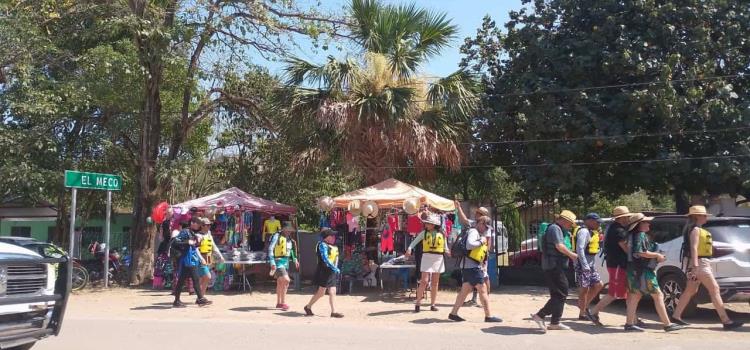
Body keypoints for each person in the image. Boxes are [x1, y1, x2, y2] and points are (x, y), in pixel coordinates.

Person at [671, 205, 744, 330]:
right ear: (696, 216)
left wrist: (694, 267)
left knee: (690, 291)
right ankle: (726, 321)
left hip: (699, 263)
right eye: (704, 215)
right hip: (700, 263)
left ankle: (676, 316)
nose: (706, 217)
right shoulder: (695, 230)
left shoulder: (696, 229)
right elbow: (694, 248)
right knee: (714, 289)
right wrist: (695, 266)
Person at [624, 213, 683, 332]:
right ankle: (667, 324)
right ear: (639, 224)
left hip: (633, 270)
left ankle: (629, 324)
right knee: (658, 295)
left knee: (635, 296)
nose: (648, 224)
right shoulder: (640, 235)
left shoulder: (631, 235)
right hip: (643, 270)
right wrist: (657, 255)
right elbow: (640, 253)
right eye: (645, 222)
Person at [587, 206, 636, 326]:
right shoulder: (619, 231)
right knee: (615, 293)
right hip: (618, 264)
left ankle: (633, 319)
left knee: (630, 293)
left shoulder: (613, 228)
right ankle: (593, 312)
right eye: (627, 216)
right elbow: (625, 248)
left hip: (616, 264)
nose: (629, 218)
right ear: (622, 218)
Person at [448, 216, 502, 323]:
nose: (486, 230)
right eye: (485, 227)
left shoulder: (472, 231)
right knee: (483, 290)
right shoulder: (474, 232)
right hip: (472, 267)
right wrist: (482, 241)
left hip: (468, 266)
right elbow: (469, 245)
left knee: (464, 291)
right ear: (480, 223)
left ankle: (453, 313)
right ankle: (488, 316)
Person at [530, 210, 578, 332]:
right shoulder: (555, 229)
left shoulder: (557, 228)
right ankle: (540, 316)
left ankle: (555, 322)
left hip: (555, 265)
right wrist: (573, 255)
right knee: (562, 292)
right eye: (570, 223)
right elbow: (559, 246)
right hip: (553, 266)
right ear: (564, 220)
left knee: (558, 294)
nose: (570, 226)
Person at [406, 213, 450, 313]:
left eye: (429, 223)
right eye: (426, 223)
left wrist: (448, 252)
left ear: (434, 225)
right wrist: (409, 249)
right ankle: (418, 303)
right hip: (426, 257)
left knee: (435, 282)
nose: (426, 225)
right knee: (424, 281)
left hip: (438, 258)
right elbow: (414, 242)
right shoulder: (423, 233)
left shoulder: (442, 234)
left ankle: (433, 304)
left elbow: (445, 247)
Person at [455, 200, 494, 307]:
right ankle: (475, 299)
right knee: (476, 279)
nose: (476, 214)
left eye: (479, 213)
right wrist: (459, 208)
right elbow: (463, 219)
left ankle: (486, 298)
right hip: (474, 256)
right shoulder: (475, 223)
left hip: (480, 256)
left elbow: (488, 241)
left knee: (484, 277)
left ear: (483, 216)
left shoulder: (484, 226)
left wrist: (485, 257)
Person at [172, 216, 212, 307]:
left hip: (191, 259)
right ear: (192, 223)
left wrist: (197, 242)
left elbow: (195, 246)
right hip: (186, 260)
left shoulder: (192, 232)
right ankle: (200, 299)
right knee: (195, 279)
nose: (199, 226)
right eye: (197, 223)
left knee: (183, 281)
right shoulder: (185, 232)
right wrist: (187, 242)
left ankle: (177, 300)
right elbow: (175, 242)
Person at [304, 228, 343, 318]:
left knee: (333, 291)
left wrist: (335, 268)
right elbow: (325, 258)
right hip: (324, 271)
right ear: (327, 237)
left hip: (331, 271)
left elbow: (336, 259)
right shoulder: (322, 245)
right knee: (321, 292)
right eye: (332, 235)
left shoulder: (334, 247)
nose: (334, 237)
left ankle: (334, 311)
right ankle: (308, 306)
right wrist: (334, 268)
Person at [575, 213, 604, 320]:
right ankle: (582, 313)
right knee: (584, 289)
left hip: (590, 265)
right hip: (584, 265)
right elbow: (580, 249)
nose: (599, 224)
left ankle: (583, 306)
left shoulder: (592, 232)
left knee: (598, 285)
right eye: (597, 222)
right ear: (589, 221)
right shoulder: (584, 231)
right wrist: (584, 265)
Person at [268, 223, 299, 311]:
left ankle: (279, 303)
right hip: (278, 261)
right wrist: (272, 262)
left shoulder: (289, 238)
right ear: (284, 229)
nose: (289, 231)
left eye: (290, 230)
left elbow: (291, 250)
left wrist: (295, 259)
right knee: (287, 280)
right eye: (288, 229)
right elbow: (270, 249)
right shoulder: (276, 236)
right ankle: (283, 303)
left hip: (286, 262)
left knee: (280, 282)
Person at [197, 217, 225, 298]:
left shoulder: (209, 235)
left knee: (204, 278)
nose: (209, 226)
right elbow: (196, 249)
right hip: (201, 258)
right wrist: (200, 258)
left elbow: (214, 246)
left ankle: (201, 296)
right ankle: (200, 296)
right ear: (202, 226)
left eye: (209, 225)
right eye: (207, 225)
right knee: (205, 277)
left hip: (209, 258)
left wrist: (220, 256)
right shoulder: (198, 235)